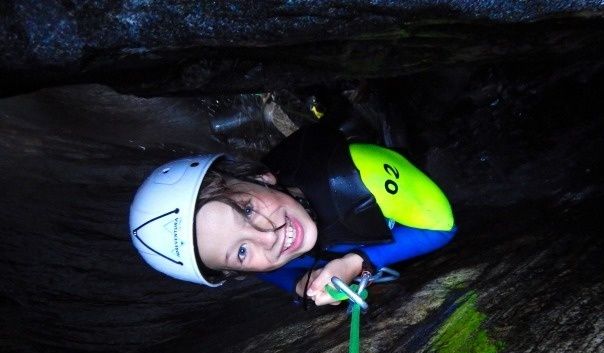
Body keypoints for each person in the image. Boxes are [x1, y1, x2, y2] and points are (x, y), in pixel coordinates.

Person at [129, 104, 456, 307]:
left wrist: (360, 260)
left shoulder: (357, 173)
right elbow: (286, 279)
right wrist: (302, 286)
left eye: (246, 210)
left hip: (382, 160)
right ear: (234, 272)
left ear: (261, 177)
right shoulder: (264, 260)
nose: (267, 236)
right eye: (241, 252)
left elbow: (441, 225)